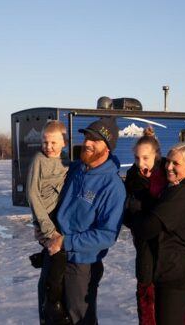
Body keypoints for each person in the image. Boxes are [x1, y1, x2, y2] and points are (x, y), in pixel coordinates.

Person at [47, 117, 126, 325]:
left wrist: (66, 242)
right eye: (87, 137)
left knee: (79, 319)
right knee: (50, 315)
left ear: (107, 148)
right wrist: (44, 228)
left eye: (95, 140)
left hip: (82, 265)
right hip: (54, 256)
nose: (88, 142)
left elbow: (107, 235)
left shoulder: (113, 186)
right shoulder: (75, 169)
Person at [131, 142, 185, 325]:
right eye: (168, 162)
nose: (169, 167)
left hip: (174, 273)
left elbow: (147, 228)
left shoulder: (184, 193)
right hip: (172, 271)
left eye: (176, 164)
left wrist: (133, 210)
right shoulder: (176, 189)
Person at [26, 120, 71, 324]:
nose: (48, 147)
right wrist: (46, 227)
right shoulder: (39, 160)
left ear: (64, 143)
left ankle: (56, 306)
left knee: (57, 263)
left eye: (53, 143)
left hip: (59, 221)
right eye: (45, 142)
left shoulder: (67, 163)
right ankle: (50, 308)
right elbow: (32, 193)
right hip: (45, 221)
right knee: (55, 258)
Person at [124, 127, 168, 324]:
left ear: (156, 156)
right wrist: (135, 218)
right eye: (136, 158)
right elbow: (125, 212)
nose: (140, 163)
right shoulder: (133, 177)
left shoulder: (168, 173)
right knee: (145, 293)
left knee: (168, 301)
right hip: (143, 245)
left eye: (145, 158)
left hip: (168, 246)